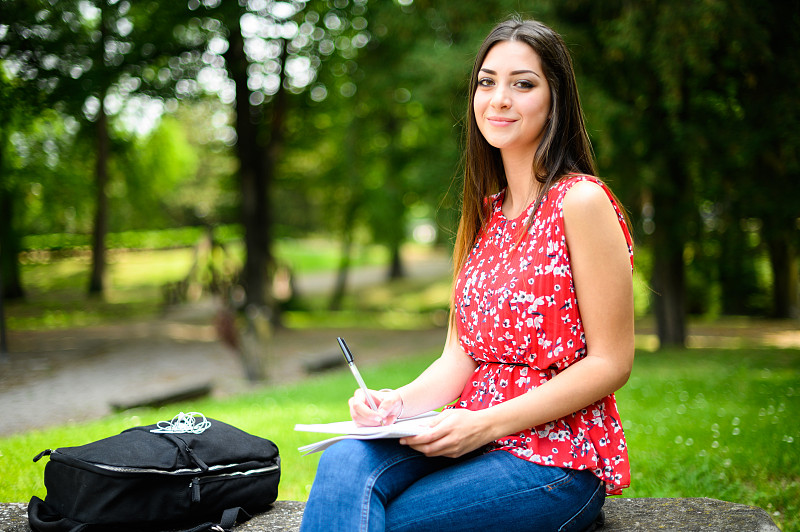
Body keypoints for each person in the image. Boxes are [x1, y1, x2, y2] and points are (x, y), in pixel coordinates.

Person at [300, 16, 634, 532]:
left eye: (522, 83)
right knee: (343, 460)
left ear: (555, 99)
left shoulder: (581, 201)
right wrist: (395, 404)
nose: (499, 98)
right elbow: (460, 356)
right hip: (466, 434)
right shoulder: (486, 214)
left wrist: (483, 425)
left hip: (554, 458)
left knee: (384, 522)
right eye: (487, 81)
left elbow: (611, 362)